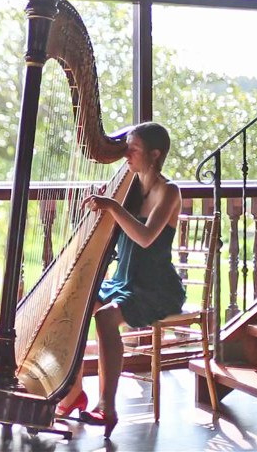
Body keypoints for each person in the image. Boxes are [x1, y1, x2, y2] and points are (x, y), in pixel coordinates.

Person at [54, 121, 185, 439]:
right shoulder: (129, 186)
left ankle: (107, 406)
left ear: (154, 154)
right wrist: (102, 204)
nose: (126, 154)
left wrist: (111, 206)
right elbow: (114, 233)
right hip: (123, 280)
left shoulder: (168, 191)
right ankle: (72, 392)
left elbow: (144, 237)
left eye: (133, 148)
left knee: (104, 317)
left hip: (154, 287)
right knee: (72, 304)